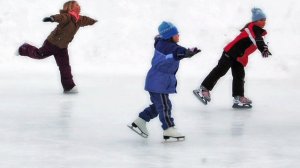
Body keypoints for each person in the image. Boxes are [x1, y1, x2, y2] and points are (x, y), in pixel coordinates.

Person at [128, 21, 200, 140]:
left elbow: (175, 53)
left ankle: (140, 120)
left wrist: (187, 53)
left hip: (159, 81)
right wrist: (186, 53)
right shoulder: (165, 46)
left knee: (160, 106)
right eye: (176, 34)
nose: (178, 36)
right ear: (169, 36)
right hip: (158, 82)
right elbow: (176, 51)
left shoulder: (165, 45)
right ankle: (169, 129)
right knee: (164, 106)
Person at [193, 7, 272, 108]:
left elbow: (258, 41)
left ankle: (238, 98)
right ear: (255, 21)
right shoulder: (252, 28)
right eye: (261, 20)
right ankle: (203, 89)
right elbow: (257, 40)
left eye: (265, 20)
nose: (264, 22)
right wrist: (263, 48)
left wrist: (264, 48)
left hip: (239, 57)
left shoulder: (257, 31)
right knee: (220, 70)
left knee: (239, 75)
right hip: (230, 53)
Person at [17, 1, 97, 93]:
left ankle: (69, 87)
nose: (79, 6)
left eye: (78, 5)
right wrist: (52, 18)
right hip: (52, 43)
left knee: (65, 67)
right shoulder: (68, 16)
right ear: (70, 7)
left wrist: (95, 21)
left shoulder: (79, 19)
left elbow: (87, 20)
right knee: (39, 54)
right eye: (76, 5)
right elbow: (61, 17)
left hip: (62, 47)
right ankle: (23, 48)